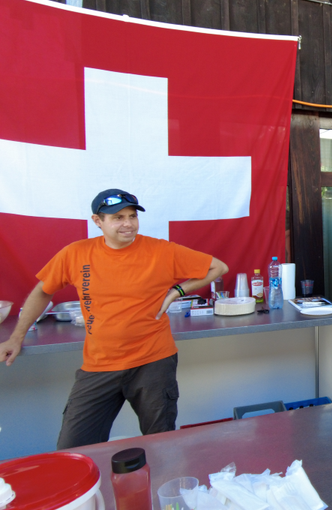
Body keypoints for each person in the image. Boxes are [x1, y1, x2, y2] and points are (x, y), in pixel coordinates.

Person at [0, 189, 228, 449]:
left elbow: (218, 267)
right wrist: (16, 337)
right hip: (99, 364)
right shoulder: (76, 253)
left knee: (161, 445)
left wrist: (175, 292)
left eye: (132, 216)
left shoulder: (161, 250)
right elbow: (43, 291)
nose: (128, 223)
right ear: (98, 221)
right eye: (118, 217)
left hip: (152, 362)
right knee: (75, 448)